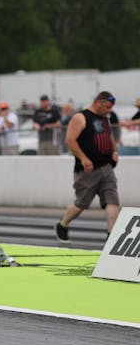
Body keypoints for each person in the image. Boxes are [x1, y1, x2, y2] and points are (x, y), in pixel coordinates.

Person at [55, 92, 120, 243]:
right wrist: (83, 158)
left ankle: (112, 236)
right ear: (98, 103)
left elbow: (109, 135)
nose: (109, 110)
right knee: (81, 203)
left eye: (111, 108)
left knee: (112, 201)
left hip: (106, 167)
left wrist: (115, 150)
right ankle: (62, 225)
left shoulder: (105, 118)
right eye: (107, 107)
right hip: (87, 170)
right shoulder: (81, 117)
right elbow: (70, 140)